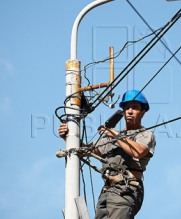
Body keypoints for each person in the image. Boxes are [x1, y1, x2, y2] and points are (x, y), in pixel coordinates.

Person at [58, 89, 156, 219]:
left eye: (135, 108)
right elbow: (84, 151)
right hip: (106, 191)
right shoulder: (110, 138)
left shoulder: (145, 134)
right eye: (127, 108)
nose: (130, 111)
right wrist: (68, 137)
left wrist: (115, 134)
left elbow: (138, 152)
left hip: (126, 189)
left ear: (143, 112)